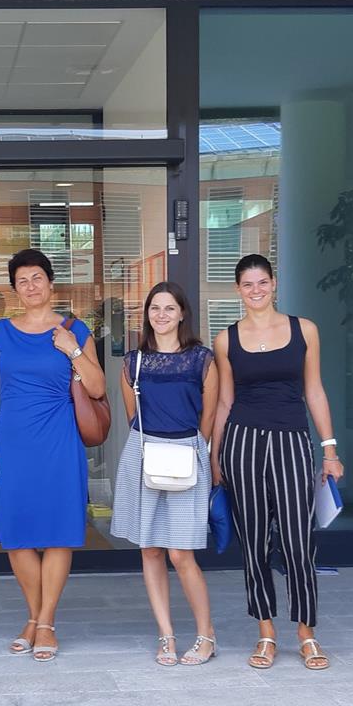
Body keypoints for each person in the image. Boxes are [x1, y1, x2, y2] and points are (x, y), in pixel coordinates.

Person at [210, 254, 344, 671]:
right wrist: (215, 457)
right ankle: (265, 631)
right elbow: (225, 401)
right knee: (253, 542)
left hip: (291, 441)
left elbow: (315, 391)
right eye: (247, 285)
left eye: (262, 282)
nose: (256, 290)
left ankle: (306, 632)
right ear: (238, 290)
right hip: (242, 443)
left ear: (273, 283)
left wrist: (330, 449)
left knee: (298, 540)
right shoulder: (226, 339)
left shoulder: (304, 330)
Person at [0, 248, 105, 662]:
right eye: (22, 281)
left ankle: (44, 622)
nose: (30, 287)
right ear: (14, 289)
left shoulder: (74, 329)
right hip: (12, 442)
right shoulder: (0, 333)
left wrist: (71, 349)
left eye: (37, 278)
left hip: (58, 442)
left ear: (51, 283)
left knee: (58, 532)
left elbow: (99, 387)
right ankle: (36, 617)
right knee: (16, 534)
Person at [110, 282, 219, 666]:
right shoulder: (133, 362)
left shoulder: (202, 359)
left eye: (169, 308)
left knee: (180, 553)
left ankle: (206, 635)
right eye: (155, 308)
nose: (161, 315)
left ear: (182, 313)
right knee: (151, 550)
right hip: (144, 455)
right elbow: (131, 417)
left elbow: (209, 416)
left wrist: (194, 453)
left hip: (187, 453)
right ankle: (167, 636)